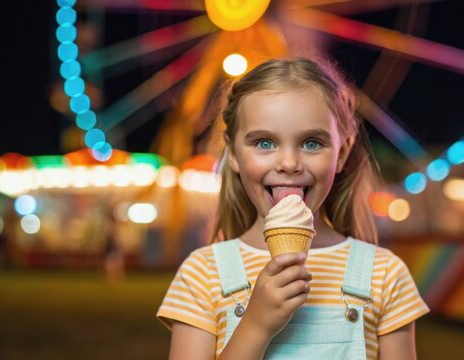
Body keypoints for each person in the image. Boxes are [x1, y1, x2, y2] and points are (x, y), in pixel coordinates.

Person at [157, 56, 429, 359]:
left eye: (311, 143)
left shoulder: (385, 274)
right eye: (264, 143)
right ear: (232, 152)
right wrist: (255, 326)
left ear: (343, 152)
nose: (289, 164)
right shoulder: (202, 274)